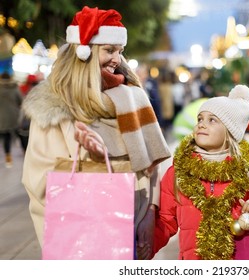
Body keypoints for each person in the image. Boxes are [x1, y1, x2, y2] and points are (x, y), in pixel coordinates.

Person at [22, 6, 171, 260]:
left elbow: (152, 168)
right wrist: (91, 160)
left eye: (120, 51)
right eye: (109, 50)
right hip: (81, 235)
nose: (117, 59)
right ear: (84, 52)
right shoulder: (55, 106)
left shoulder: (134, 97)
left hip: (134, 231)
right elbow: (38, 180)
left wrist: (150, 214)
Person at [153, 84, 249, 260]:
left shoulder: (248, 175)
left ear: (229, 132)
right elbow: (165, 222)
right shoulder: (178, 173)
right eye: (200, 119)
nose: (202, 125)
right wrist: (142, 247)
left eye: (212, 120)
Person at [0, 72, 23, 168]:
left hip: (1, 116)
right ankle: (25, 152)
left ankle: (8, 157)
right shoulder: (14, 87)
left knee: (5, 136)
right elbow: (20, 101)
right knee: (18, 134)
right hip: (14, 116)